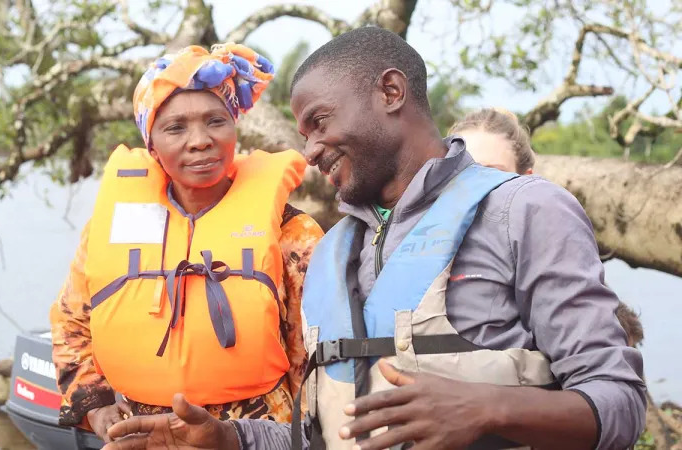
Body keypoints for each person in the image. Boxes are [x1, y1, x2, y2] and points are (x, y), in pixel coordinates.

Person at [101, 28, 647, 450]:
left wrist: (488, 410)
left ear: (390, 91)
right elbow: (321, 434)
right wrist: (231, 439)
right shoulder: (331, 252)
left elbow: (619, 402)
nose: (310, 151)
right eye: (302, 134)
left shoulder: (524, 209)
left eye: (319, 121)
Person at [48, 43, 324, 443]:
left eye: (215, 121)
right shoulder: (110, 228)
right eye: (175, 127)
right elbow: (72, 323)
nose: (200, 141)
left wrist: (298, 438)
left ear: (235, 128)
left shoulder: (293, 234)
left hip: (251, 435)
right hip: (138, 435)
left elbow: (313, 355)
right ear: (152, 145)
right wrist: (95, 405)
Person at [449, 107, 646, 348]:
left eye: (492, 174)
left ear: (528, 179)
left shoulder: (548, 237)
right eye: (462, 174)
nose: (475, 186)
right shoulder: (411, 241)